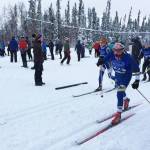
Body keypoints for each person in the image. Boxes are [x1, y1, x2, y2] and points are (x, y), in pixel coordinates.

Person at [97, 42, 140, 125]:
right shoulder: (112, 54)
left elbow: (137, 69)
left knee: (119, 93)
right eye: (115, 50)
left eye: (119, 51)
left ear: (123, 50)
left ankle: (118, 114)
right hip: (118, 76)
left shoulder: (128, 58)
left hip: (126, 77)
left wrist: (137, 81)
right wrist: (100, 61)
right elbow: (104, 59)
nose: (116, 52)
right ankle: (126, 99)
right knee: (119, 89)